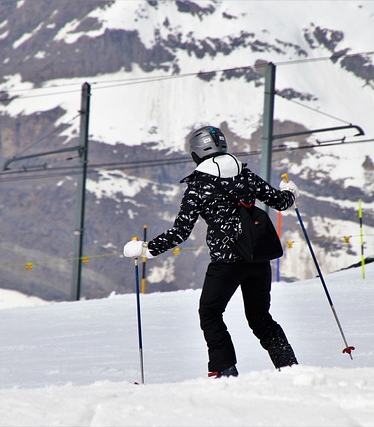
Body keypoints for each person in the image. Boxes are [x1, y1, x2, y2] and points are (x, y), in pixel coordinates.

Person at [123, 125, 299, 378]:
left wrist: (147, 249)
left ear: (197, 152)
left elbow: (180, 231)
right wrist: (290, 192)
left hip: (226, 263)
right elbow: (280, 202)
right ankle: (289, 367)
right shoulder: (245, 175)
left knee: (210, 312)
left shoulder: (199, 186)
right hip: (258, 259)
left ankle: (224, 369)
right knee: (260, 317)